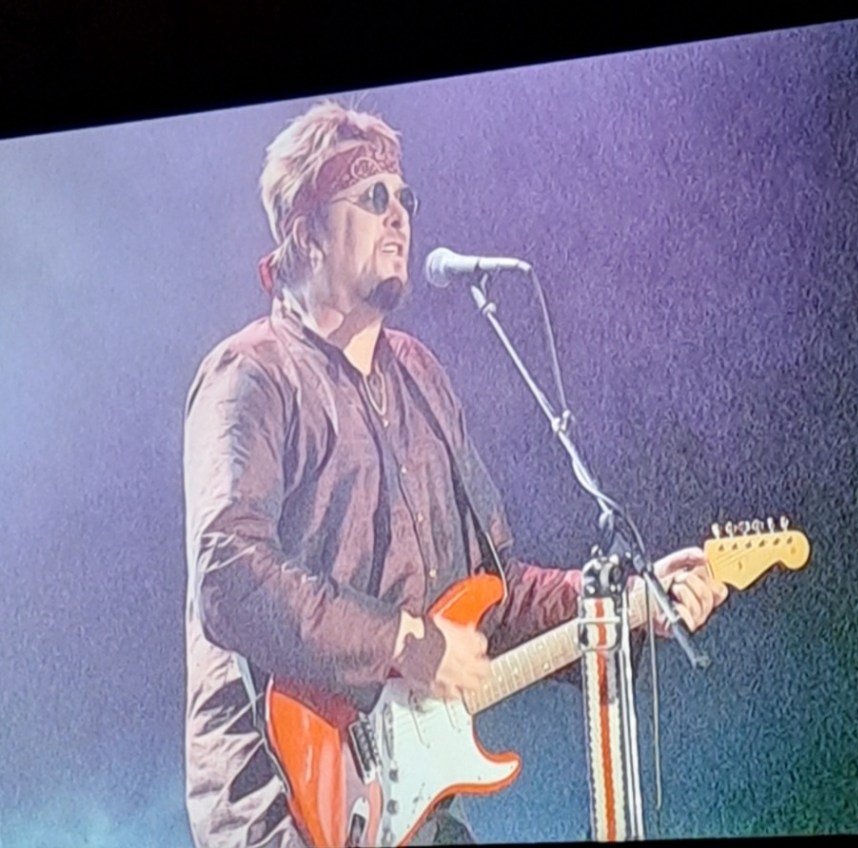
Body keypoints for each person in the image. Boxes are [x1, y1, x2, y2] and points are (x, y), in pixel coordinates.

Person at [182, 100, 729, 848]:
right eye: (372, 197)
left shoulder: (421, 377)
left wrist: (630, 602)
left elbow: (494, 591)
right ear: (306, 233)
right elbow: (229, 574)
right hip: (283, 805)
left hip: (413, 807)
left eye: (404, 197)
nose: (398, 215)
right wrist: (404, 640)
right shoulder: (251, 375)